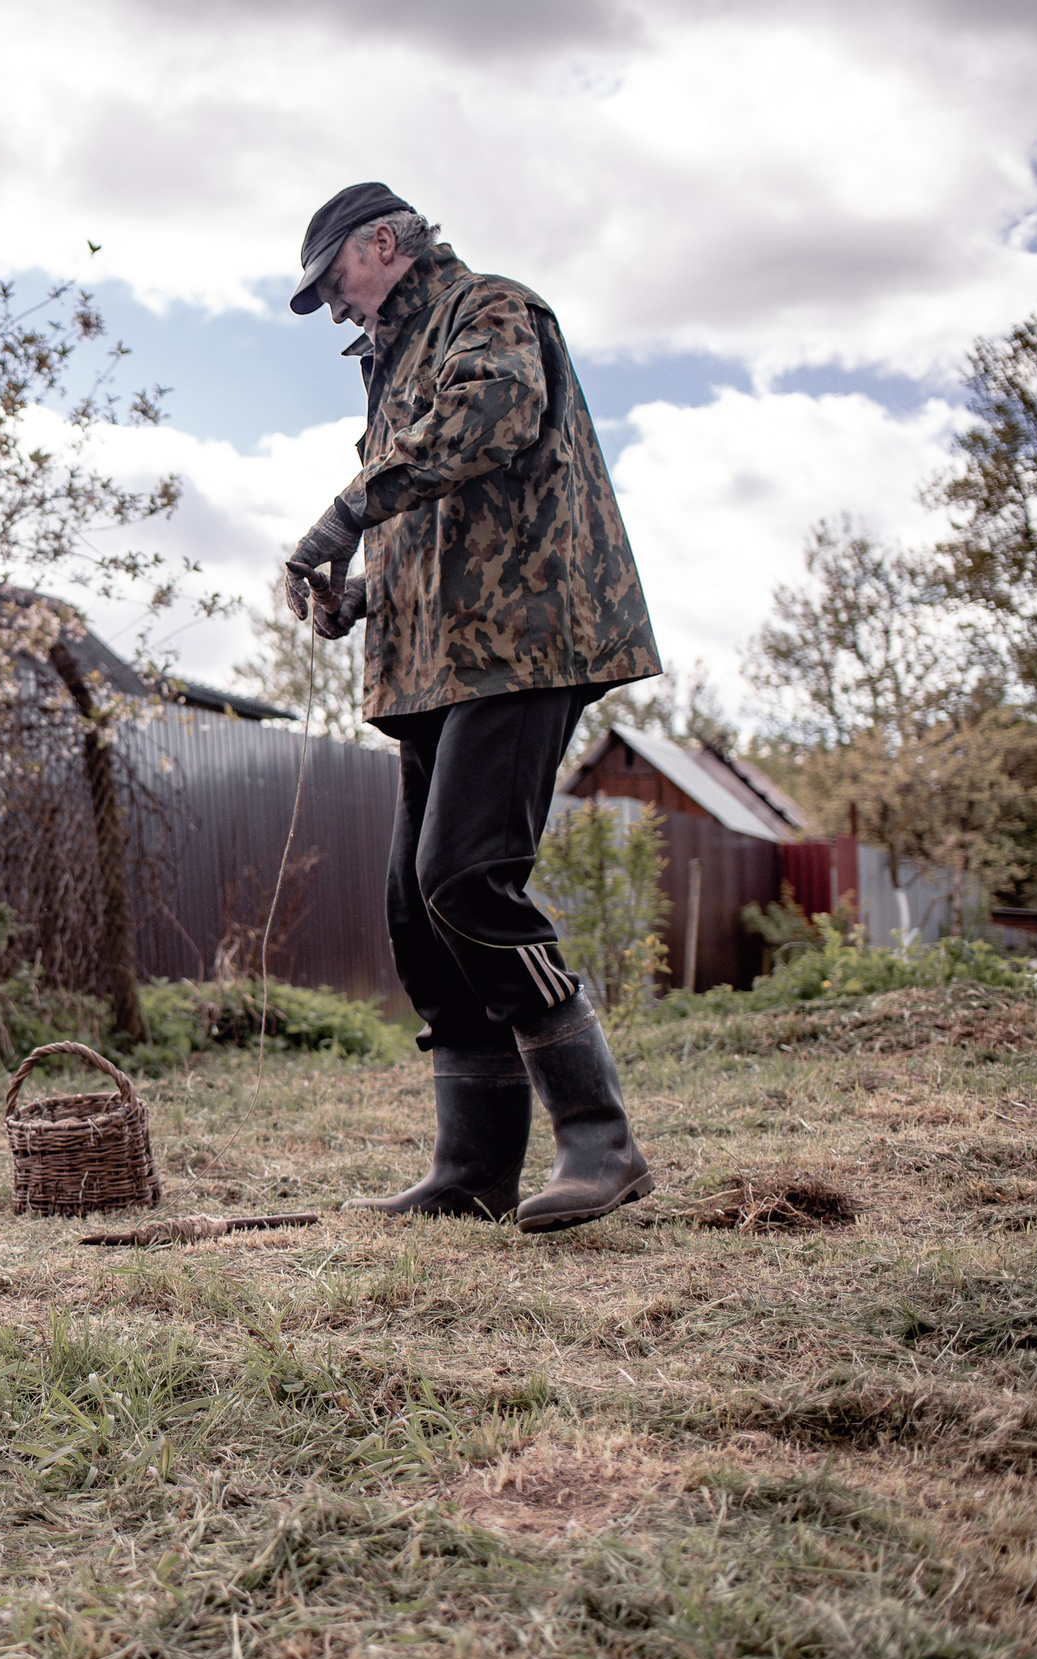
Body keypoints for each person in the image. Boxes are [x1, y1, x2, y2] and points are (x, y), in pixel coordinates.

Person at [281, 183, 665, 1233]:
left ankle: (600, 1139)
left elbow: (484, 426)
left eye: (335, 279)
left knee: (466, 877)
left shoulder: (490, 308)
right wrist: (359, 594)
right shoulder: (394, 357)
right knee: (417, 910)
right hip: (433, 662)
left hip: (522, 642)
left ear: (385, 241)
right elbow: (437, 518)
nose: (334, 304)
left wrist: (340, 517)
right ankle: (473, 1168)